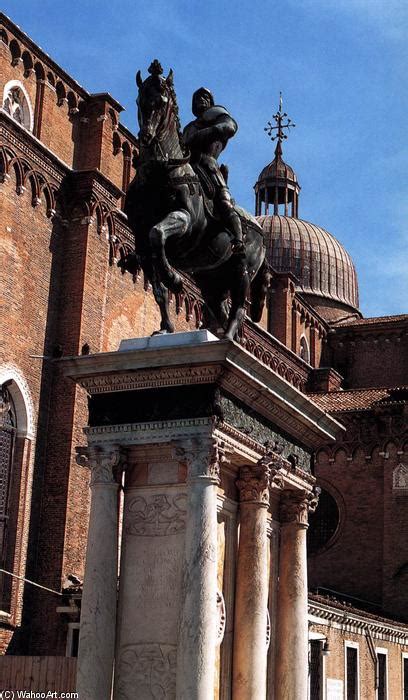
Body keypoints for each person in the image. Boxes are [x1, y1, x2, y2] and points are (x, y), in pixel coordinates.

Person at [183, 87, 244, 253]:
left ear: (211, 102)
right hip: (188, 165)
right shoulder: (189, 128)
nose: (200, 101)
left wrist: (207, 133)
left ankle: (238, 235)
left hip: (207, 165)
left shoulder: (217, 115)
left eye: (204, 97)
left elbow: (230, 127)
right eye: (196, 98)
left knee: (222, 199)